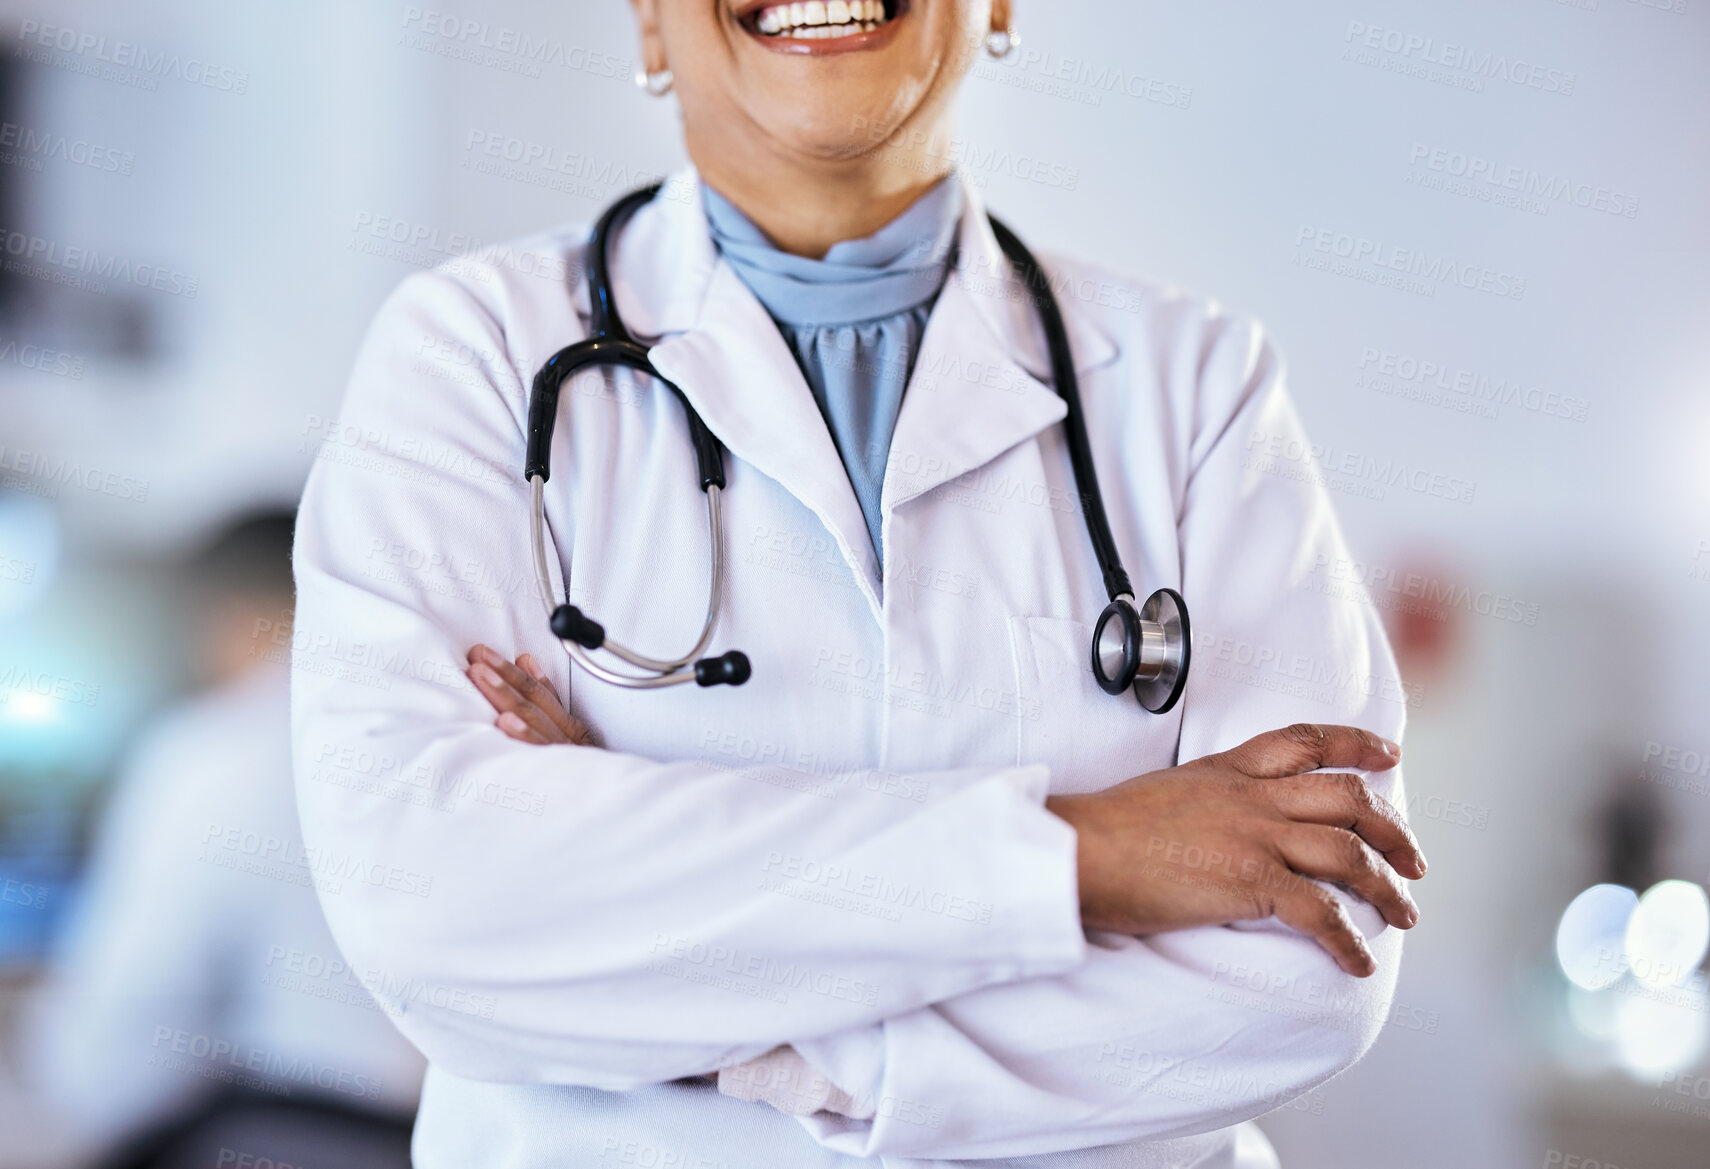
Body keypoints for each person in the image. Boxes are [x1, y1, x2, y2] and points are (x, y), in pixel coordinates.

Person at [290, 2, 1425, 1165]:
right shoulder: (468, 354)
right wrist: (1081, 858)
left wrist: (741, 1037)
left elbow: (1310, 958)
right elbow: (437, 898)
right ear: (647, 22)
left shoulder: (1196, 383)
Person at [25, 512, 423, 1169]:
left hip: (276, 1134)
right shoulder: (444, 732)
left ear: (227, 616)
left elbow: (129, 1026)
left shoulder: (214, 749)